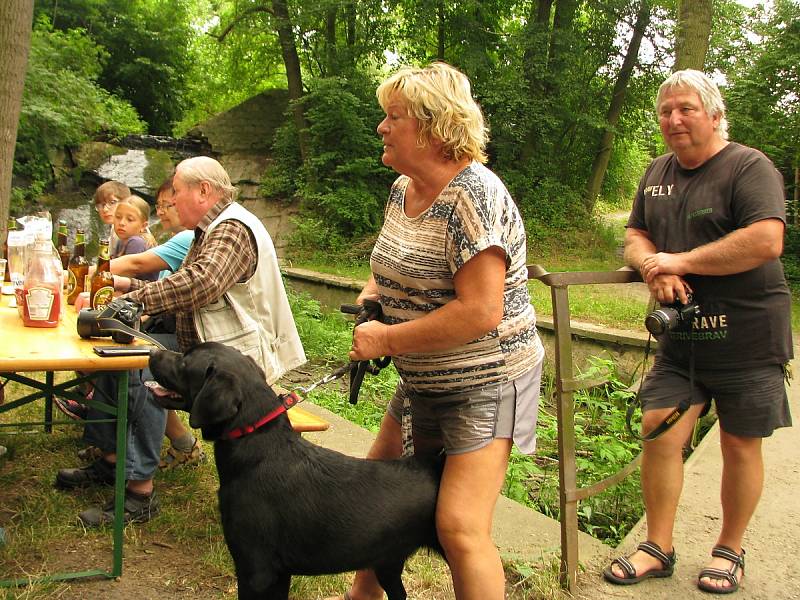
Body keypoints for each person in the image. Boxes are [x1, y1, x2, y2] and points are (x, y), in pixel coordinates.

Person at [329, 63, 544, 600]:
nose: (381, 127)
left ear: (432, 128)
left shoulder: (475, 196)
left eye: (392, 117)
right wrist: (373, 296)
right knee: (378, 494)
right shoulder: (404, 187)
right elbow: (392, 264)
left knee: (459, 526)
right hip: (425, 376)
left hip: (487, 380)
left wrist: (386, 340)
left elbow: (480, 312)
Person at [603, 70, 792, 594]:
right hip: (681, 340)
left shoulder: (748, 167)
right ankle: (656, 547)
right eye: (666, 111)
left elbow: (765, 240)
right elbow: (636, 233)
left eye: (685, 108)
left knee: (739, 444)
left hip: (748, 338)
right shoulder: (658, 172)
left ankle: (729, 550)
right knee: (658, 427)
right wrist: (651, 266)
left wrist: (681, 260)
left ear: (713, 114)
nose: (673, 119)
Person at [55, 156, 306, 527]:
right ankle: (111, 460)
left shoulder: (232, 228)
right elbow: (184, 286)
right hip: (207, 345)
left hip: (235, 362)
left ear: (203, 190)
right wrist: (128, 286)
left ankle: (140, 491)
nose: (169, 200)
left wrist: (137, 300)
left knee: (141, 373)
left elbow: (202, 283)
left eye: (175, 191)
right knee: (111, 354)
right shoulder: (211, 229)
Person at [59, 179, 203, 469]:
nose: (163, 211)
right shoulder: (179, 240)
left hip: (190, 339)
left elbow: (136, 266)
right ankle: (110, 452)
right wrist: (122, 290)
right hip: (164, 327)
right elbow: (146, 283)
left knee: (134, 361)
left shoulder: (188, 238)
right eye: (161, 204)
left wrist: (80, 274)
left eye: (169, 203)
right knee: (113, 353)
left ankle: (135, 474)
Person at [110, 195, 158, 280]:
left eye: (130, 219)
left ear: (143, 226)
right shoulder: (120, 241)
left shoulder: (136, 242)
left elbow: (127, 273)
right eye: (118, 217)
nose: (122, 223)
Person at [93, 180, 130, 246]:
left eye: (112, 203)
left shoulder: (135, 231)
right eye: (101, 205)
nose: (105, 209)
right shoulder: (115, 228)